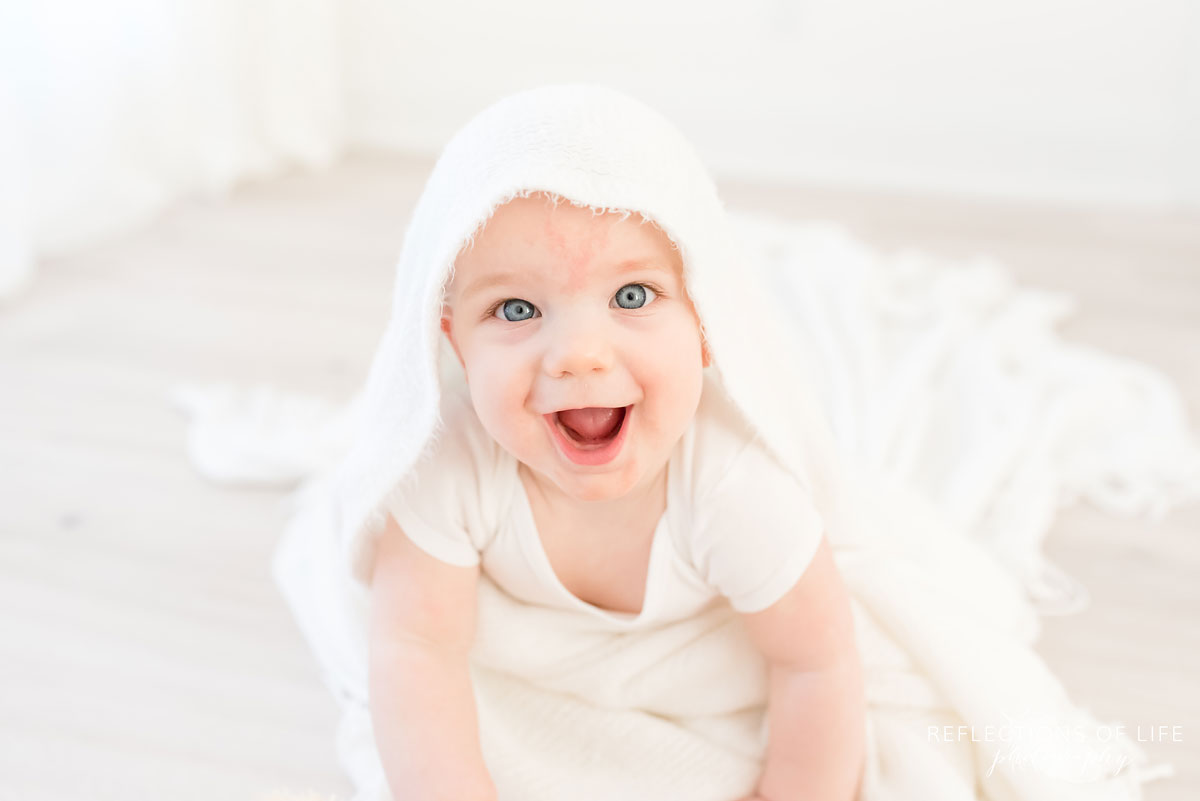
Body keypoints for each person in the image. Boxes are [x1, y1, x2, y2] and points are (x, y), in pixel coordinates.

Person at [270, 83, 1153, 801]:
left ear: (705, 326)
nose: (577, 353)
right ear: (452, 342)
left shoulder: (733, 485)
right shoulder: (447, 463)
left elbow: (816, 660)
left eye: (631, 296)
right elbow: (415, 652)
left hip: (715, 662)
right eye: (515, 309)